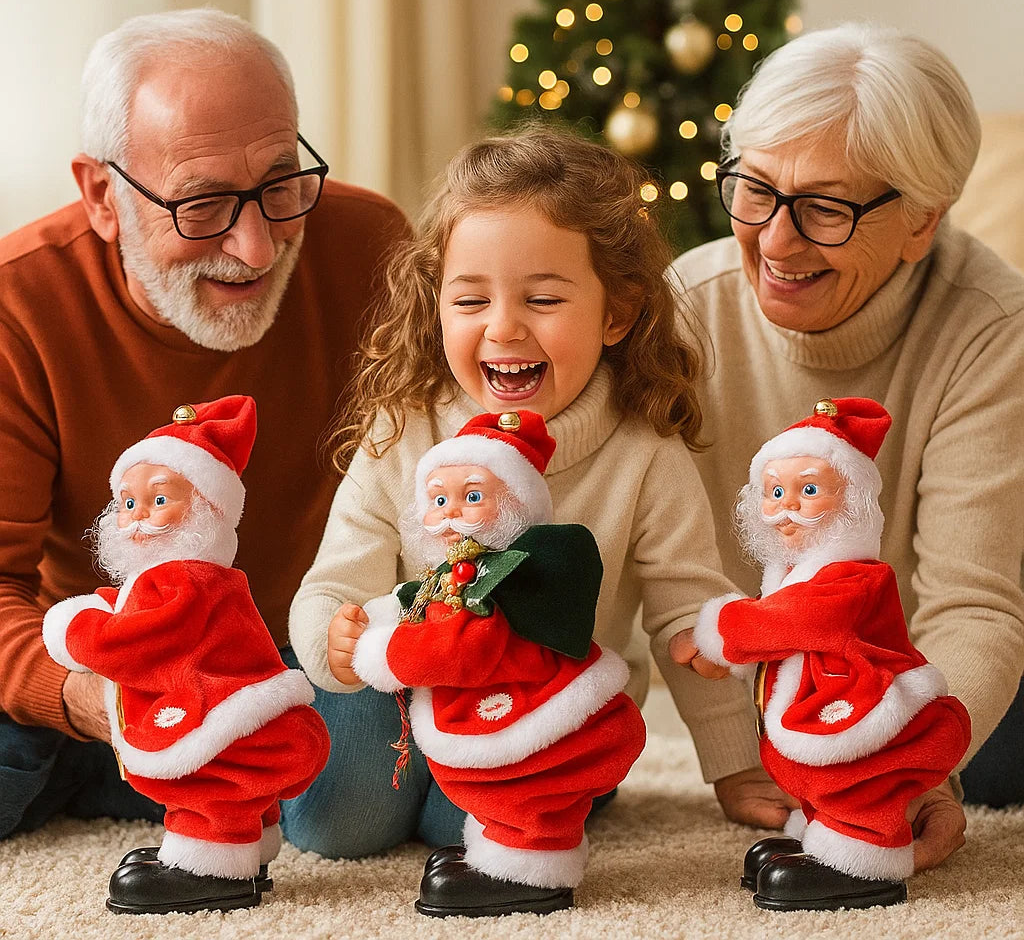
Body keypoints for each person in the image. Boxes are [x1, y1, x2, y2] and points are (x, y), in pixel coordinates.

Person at [288, 127, 771, 861]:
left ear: (616, 313)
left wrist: (735, 765)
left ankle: (442, 791)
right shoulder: (404, 428)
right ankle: (395, 776)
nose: (503, 327)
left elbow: (687, 619)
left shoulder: (644, 453)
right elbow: (332, 585)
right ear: (437, 305)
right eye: (471, 299)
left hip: (552, 706)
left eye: (542, 298)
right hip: (395, 692)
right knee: (339, 830)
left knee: (474, 832)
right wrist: (337, 644)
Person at [0, 8, 407, 843]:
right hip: (102, 661)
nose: (257, 248)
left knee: (356, 795)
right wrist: (95, 702)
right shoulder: (20, 307)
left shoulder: (373, 248)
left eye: (280, 184)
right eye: (204, 205)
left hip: (299, 649)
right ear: (102, 195)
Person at [669, 23, 1024, 871]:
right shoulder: (688, 307)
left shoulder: (991, 328)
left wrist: (908, 763)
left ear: (922, 222)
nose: (776, 242)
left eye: (825, 208)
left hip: (908, 666)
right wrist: (729, 751)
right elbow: (667, 572)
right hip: (774, 671)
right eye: (754, 189)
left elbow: (973, 606)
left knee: (1006, 759)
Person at [336, 409, 646, 917]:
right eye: (438, 499)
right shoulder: (456, 575)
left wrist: (381, 651)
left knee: (526, 783)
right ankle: (497, 851)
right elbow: (420, 601)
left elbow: (464, 646)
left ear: (515, 506)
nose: (452, 512)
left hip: (534, 708)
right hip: (501, 705)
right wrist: (374, 618)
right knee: (493, 787)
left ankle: (530, 871)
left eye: (472, 496)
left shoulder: (506, 573)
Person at [674, 397, 970, 912]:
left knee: (852, 774)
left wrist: (717, 631)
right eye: (774, 493)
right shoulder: (791, 575)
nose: (787, 507)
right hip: (813, 706)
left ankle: (863, 855)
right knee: (812, 773)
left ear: (850, 503)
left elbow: (799, 620)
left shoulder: (855, 576)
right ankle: (821, 834)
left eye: (809, 491)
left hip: (858, 703)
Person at [42, 395, 330, 914]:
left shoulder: (186, 581)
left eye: (158, 500)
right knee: (232, 779)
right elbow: (133, 604)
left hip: (218, 711)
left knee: (209, 779)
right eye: (127, 503)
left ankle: (211, 863)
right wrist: (101, 604)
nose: (137, 518)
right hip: (239, 707)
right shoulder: (182, 577)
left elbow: (129, 640)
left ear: (205, 508)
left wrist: (74, 626)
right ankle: (250, 846)